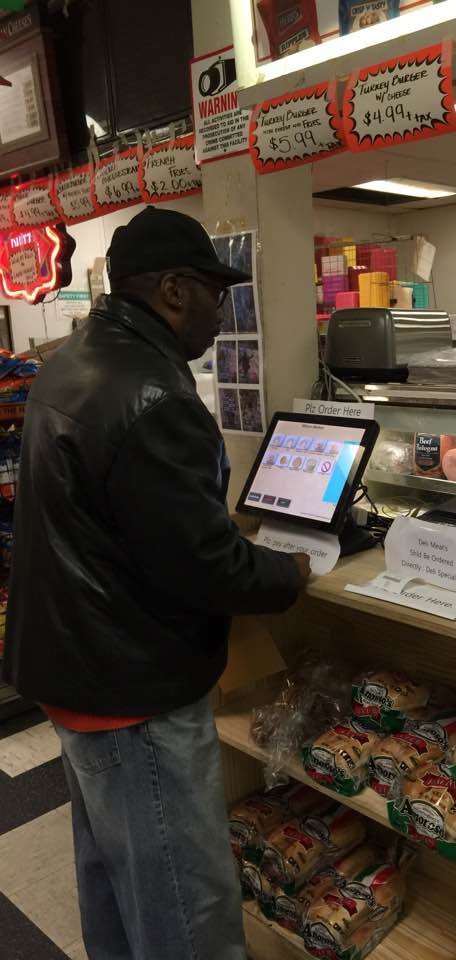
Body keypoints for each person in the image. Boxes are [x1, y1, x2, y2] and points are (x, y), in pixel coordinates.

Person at [2, 206, 311, 960]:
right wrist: (290, 572)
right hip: (132, 686)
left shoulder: (74, 360)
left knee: (115, 879)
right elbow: (204, 564)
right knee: (185, 905)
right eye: (216, 292)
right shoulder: (154, 394)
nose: (222, 311)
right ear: (173, 290)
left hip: (74, 666)